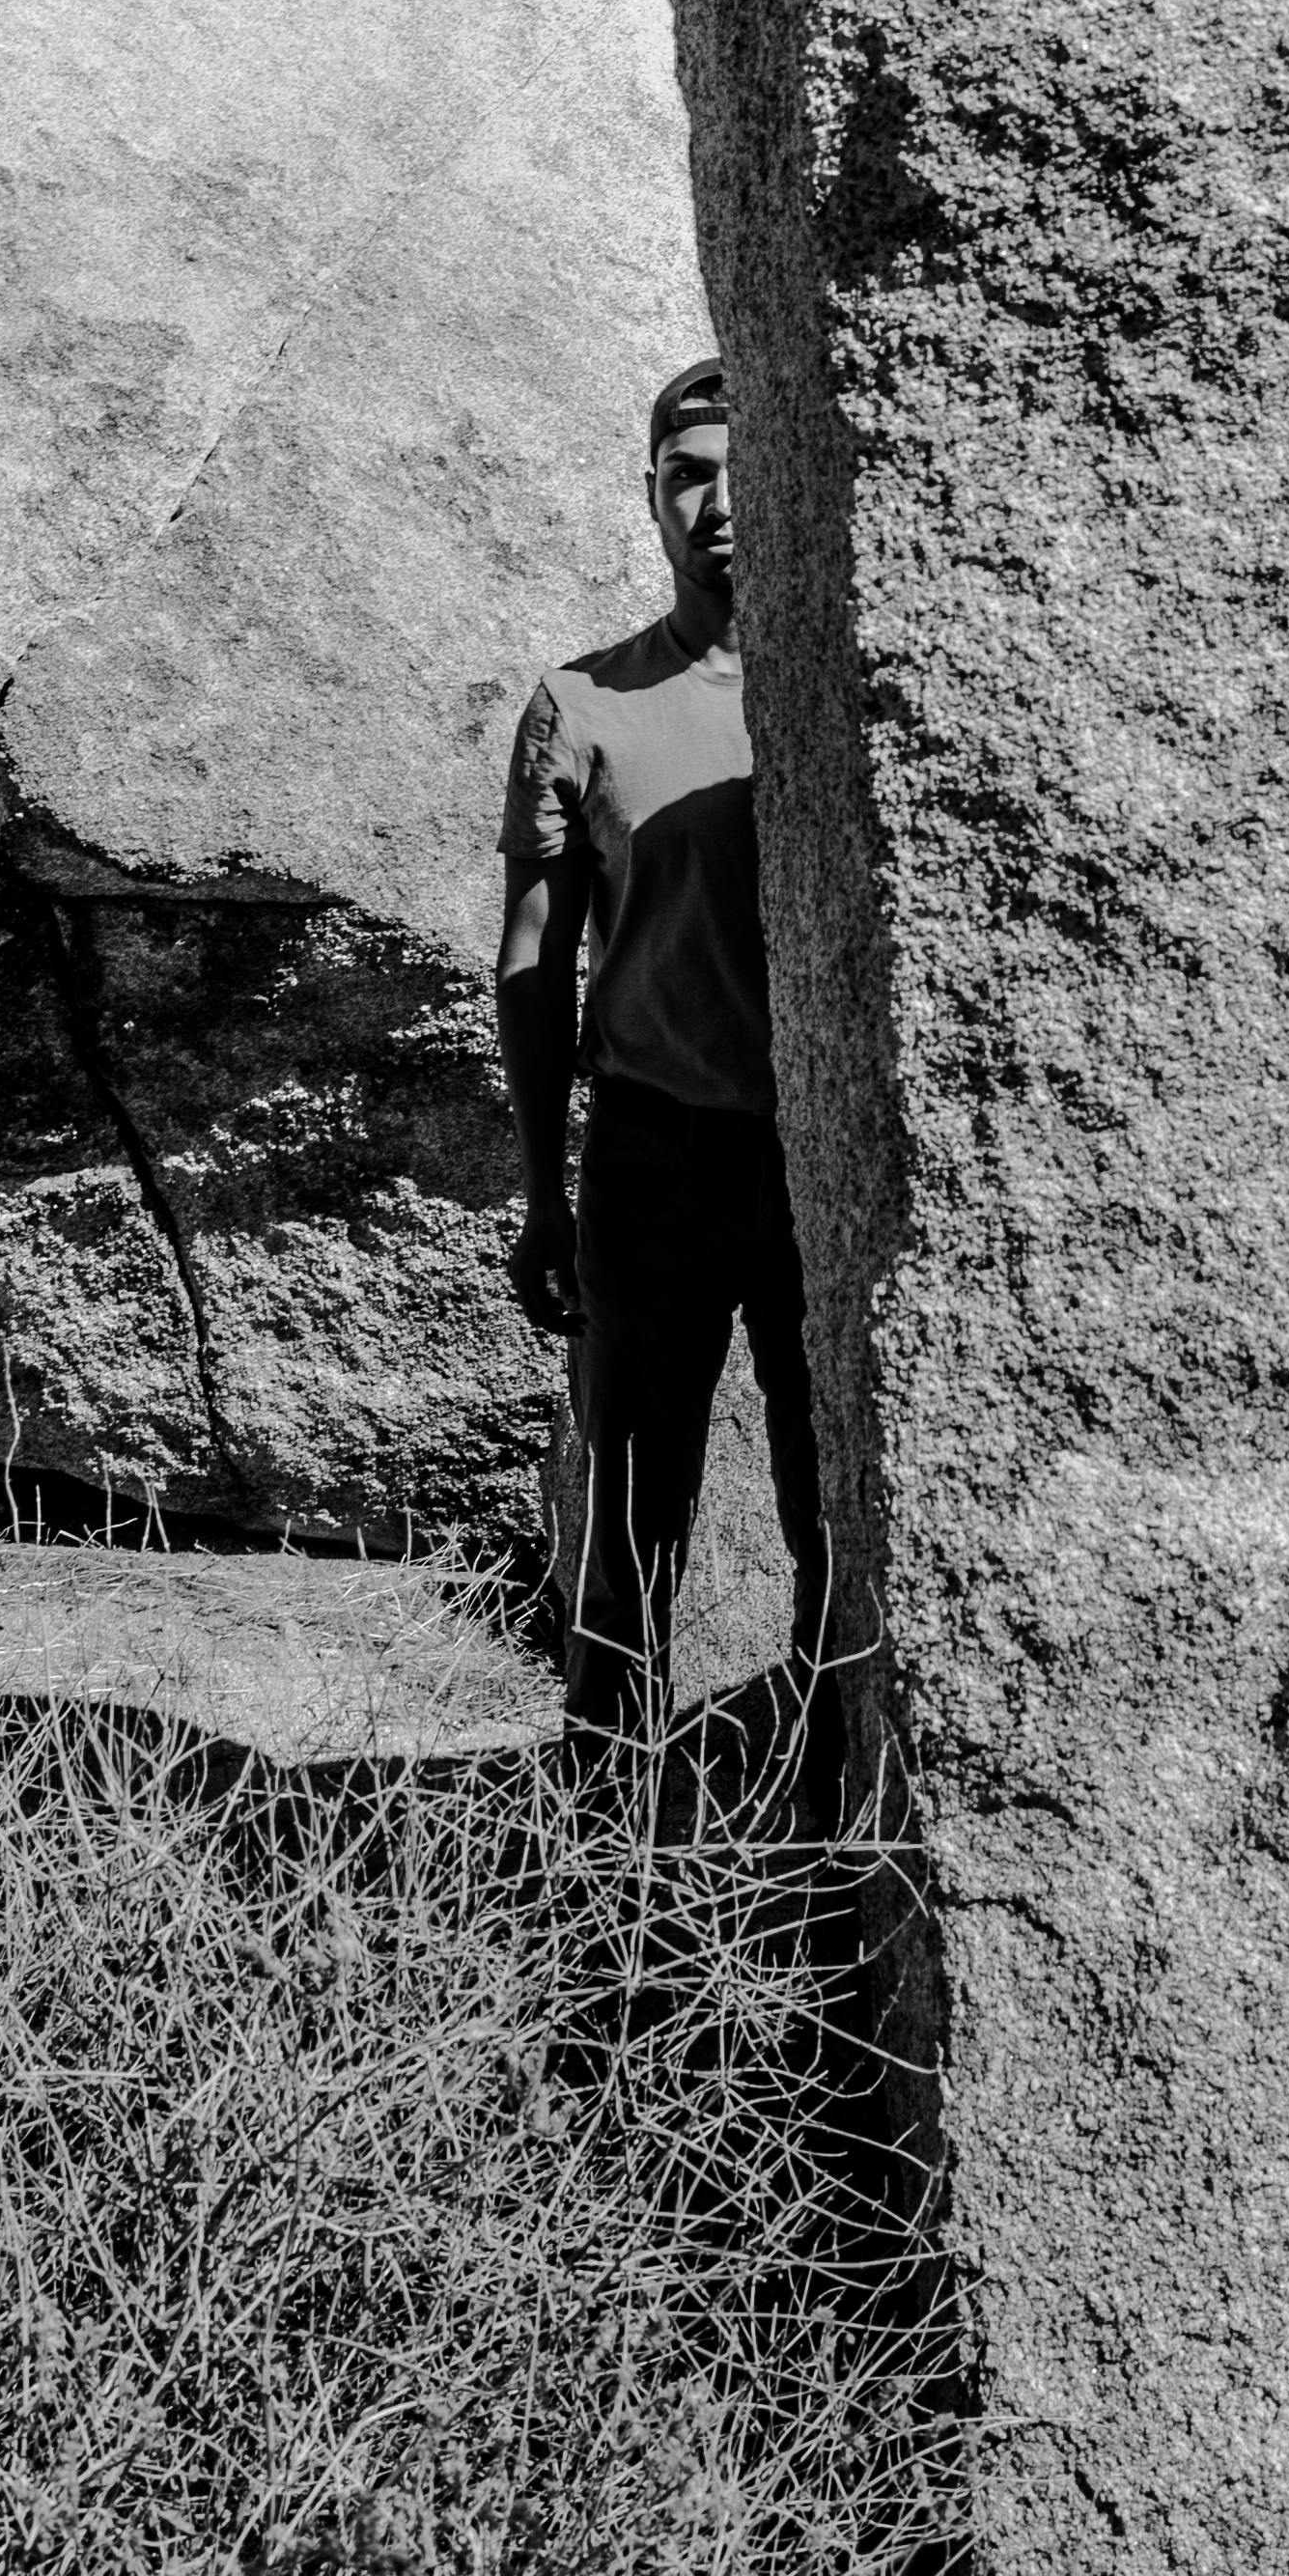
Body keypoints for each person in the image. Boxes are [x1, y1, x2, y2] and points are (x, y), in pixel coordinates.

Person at [495, 356, 827, 1736]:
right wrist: (545, 1192)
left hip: (825, 1190)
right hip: (653, 1170)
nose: (720, 503)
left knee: (840, 1536)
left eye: (746, 470)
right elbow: (532, 961)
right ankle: (600, 1887)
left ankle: (819, 1851)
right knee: (629, 1546)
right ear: (648, 495)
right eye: (688, 474)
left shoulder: (842, 700)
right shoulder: (581, 706)